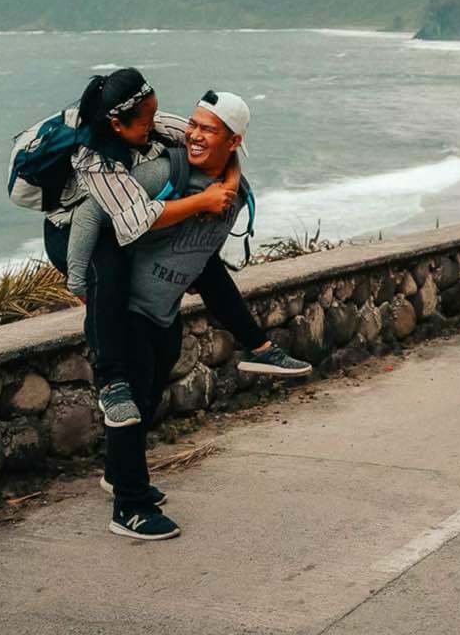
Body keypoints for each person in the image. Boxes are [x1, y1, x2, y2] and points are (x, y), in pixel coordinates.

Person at [66, 90, 310, 540]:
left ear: (233, 142)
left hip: (163, 313)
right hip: (125, 310)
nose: (194, 135)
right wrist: (81, 283)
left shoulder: (234, 192)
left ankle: (121, 476)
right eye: (193, 125)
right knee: (128, 403)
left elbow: (203, 263)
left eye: (208, 130)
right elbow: (92, 208)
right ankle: (130, 508)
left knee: (145, 400)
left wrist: (231, 181)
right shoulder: (164, 170)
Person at [40, 69, 239, 418]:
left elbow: (216, 148)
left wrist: (231, 184)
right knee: (109, 278)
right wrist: (202, 202)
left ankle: (257, 344)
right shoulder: (94, 159)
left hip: (117, 218)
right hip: (72, 229)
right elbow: (134, 222)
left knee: (203, 272)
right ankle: (111, 382)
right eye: (146, 121)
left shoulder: (151, 121)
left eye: (154, 113)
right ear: (117, 125)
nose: (156, 123)